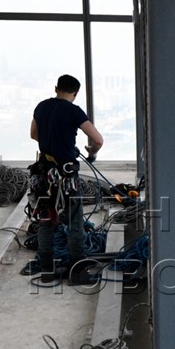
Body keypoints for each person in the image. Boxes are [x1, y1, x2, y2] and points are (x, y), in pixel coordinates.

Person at [30, 73, 104, 285]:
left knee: (46, 218)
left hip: (44, 172)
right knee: (74, 221)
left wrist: (52, 139)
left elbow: (34, 134)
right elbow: (98, 139)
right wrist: (91, 150)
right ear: (76, 93)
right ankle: (78, 272)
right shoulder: (74, 111)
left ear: (56, 88)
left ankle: (46, 271)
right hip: (65, 175)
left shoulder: (41, 107)